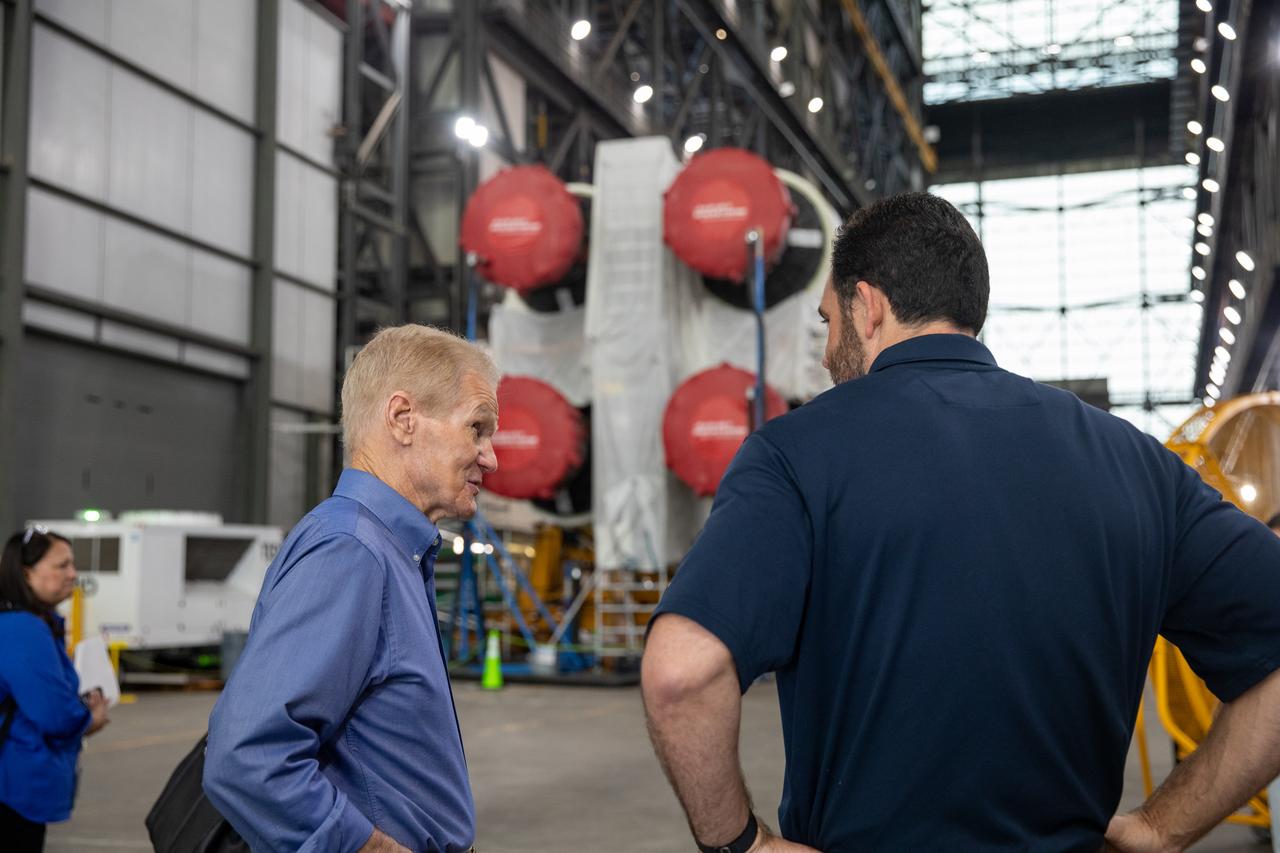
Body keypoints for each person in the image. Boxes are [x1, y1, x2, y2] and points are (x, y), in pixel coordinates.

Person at [641, 191, 1280, 853]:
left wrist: (740, 845)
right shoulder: (1136, 463)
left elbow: (681, 673)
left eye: (829, 321)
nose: (828, 353)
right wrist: (1161, 827)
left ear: (869, 306)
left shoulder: (793, 455)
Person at [204, 324, 498, 853]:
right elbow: (248, 757)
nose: (490, 456)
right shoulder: (351, 551)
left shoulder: (391, 550)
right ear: (403, 419)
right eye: (477, 428)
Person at [0, 525, 110, 853]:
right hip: (12, 789)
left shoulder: (22, 622)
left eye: (72, 564)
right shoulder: (23, 629)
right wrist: (90, 719)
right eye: (61, 566)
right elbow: (55, 715)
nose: (73, 574)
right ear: (26, 573)